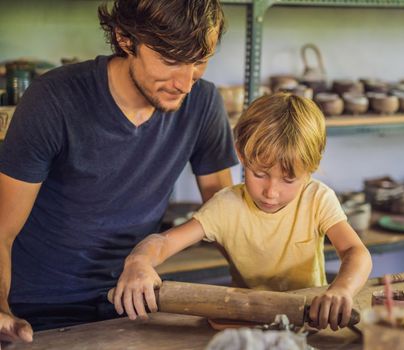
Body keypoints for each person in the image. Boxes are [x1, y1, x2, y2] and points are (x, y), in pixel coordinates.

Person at [0, 0, 238, 342]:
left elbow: (226, 215)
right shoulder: (54, 98)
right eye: (170, 61)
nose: (185, 83)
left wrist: (259, 294)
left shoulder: (203, 103)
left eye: (198, 62)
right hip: (38, 309)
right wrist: (1, 309)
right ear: (126, 39)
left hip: (133, 301)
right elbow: (2, 231)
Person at [112, 93, 373, 331]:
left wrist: (342, 289)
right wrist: (139, 262)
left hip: (309, 319)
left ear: (312, 168)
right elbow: (163, 242)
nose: (271, 192)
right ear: (242, 155)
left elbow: (356, 253)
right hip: (244, 322)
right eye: (260, 174)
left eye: (288, 180)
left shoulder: (317, 199)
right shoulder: (226, 206)